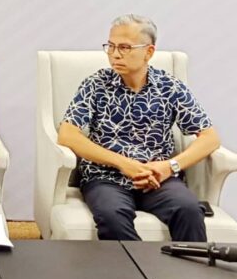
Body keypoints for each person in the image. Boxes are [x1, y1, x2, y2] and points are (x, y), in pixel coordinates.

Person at [58, 14, 220, 241]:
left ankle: (188, 266)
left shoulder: (169, 87)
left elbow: (210, 138)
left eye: (124, 47)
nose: (115, 54)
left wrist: (170, 166)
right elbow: (67, 135)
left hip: (158, 178)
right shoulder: (96, 84)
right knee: (112, 216)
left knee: (189, 210)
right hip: (105, 177)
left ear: (149, 52)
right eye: (111, 46)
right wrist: (124, 164)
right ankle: (136, 266)